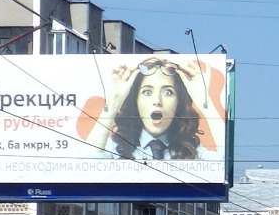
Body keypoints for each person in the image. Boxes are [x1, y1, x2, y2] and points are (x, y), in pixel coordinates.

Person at [85, 57, 222, 161]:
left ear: (178, 102)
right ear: (136, 100)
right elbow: (83, 167)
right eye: (147, 92)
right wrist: (114, 102)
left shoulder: (192, 151)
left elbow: (225, 166)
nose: (157, 101)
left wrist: (206, 103)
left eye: (168, 92)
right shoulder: (115, 147)